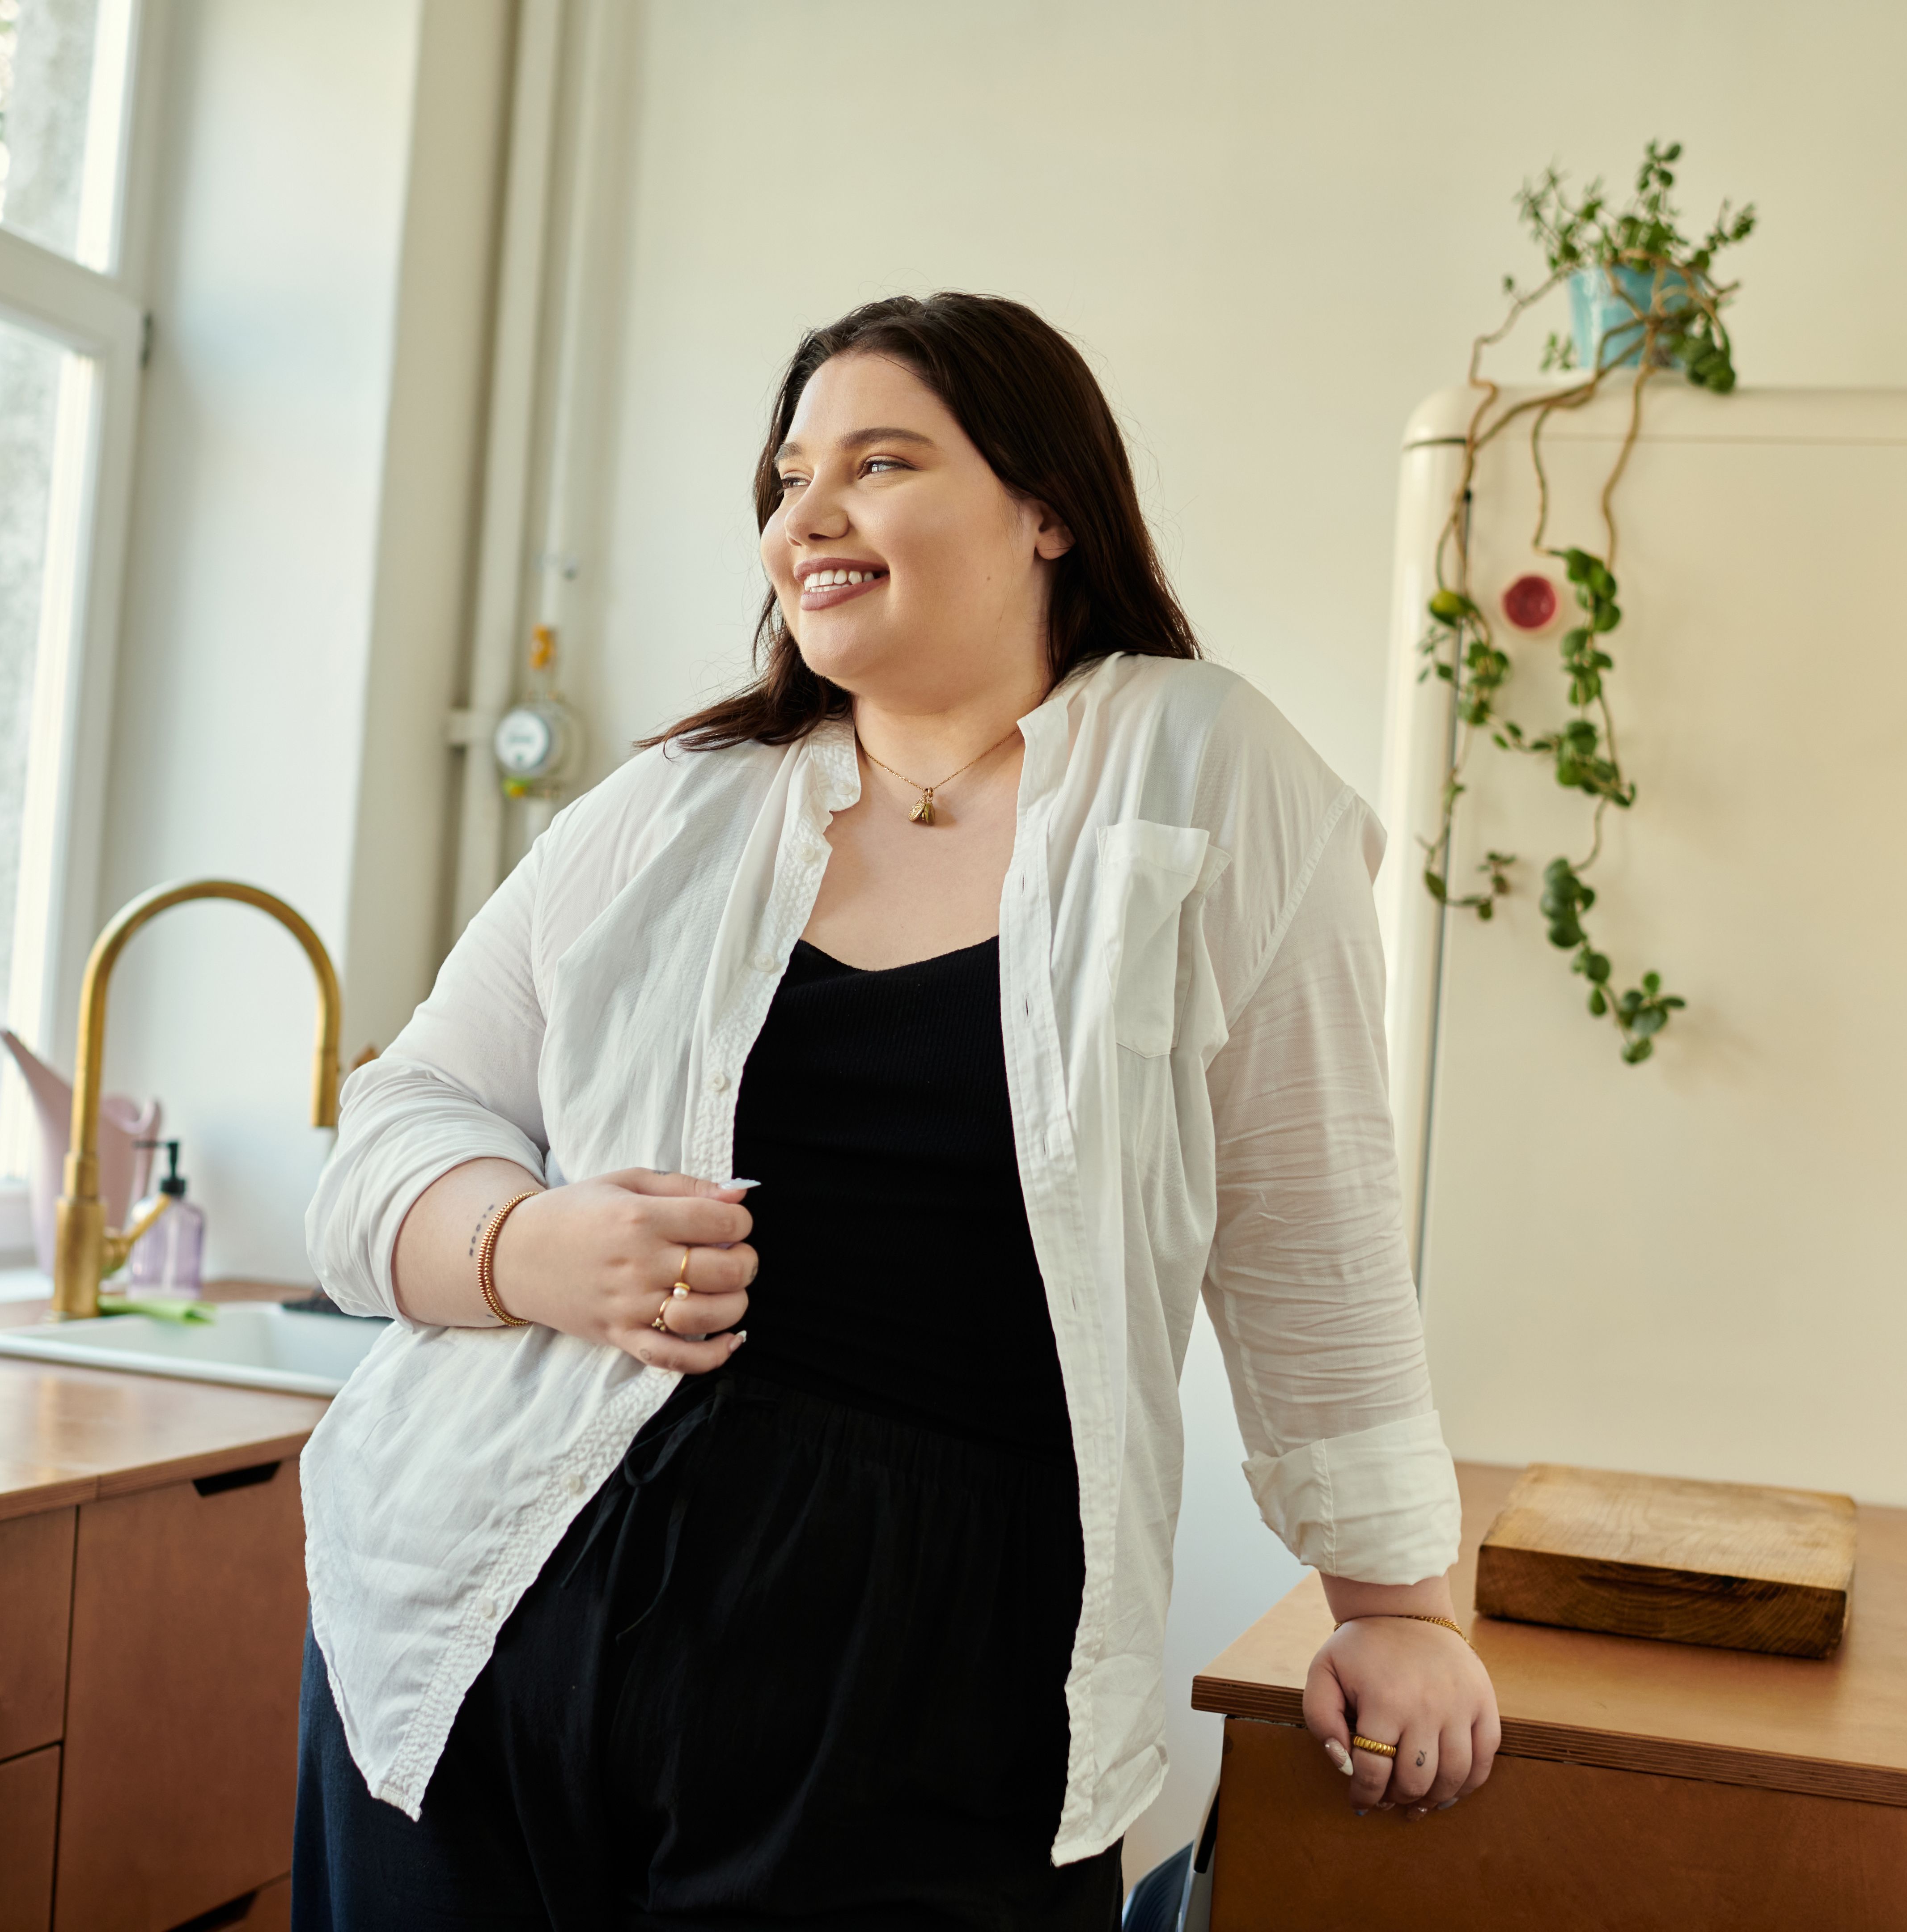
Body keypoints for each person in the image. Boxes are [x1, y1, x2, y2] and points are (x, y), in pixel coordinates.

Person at [294, 292, 1496, 1930]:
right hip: (487, 1597)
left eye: (881, 460)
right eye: (790, 479)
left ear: (1049, 506)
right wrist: (527, 1247)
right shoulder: (672, 805)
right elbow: (399, 1124)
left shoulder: (1203, 773)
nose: (812, 515)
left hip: (935, 1660)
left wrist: (1398, 1607)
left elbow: (1312, 1225)